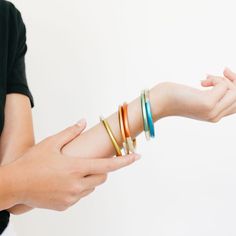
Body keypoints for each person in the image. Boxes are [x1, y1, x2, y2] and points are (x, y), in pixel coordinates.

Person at [1, 0, 236, 235]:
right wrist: (21, 183)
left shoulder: (6, 20)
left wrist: (161, 101)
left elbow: (21, 184)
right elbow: (23, 180)